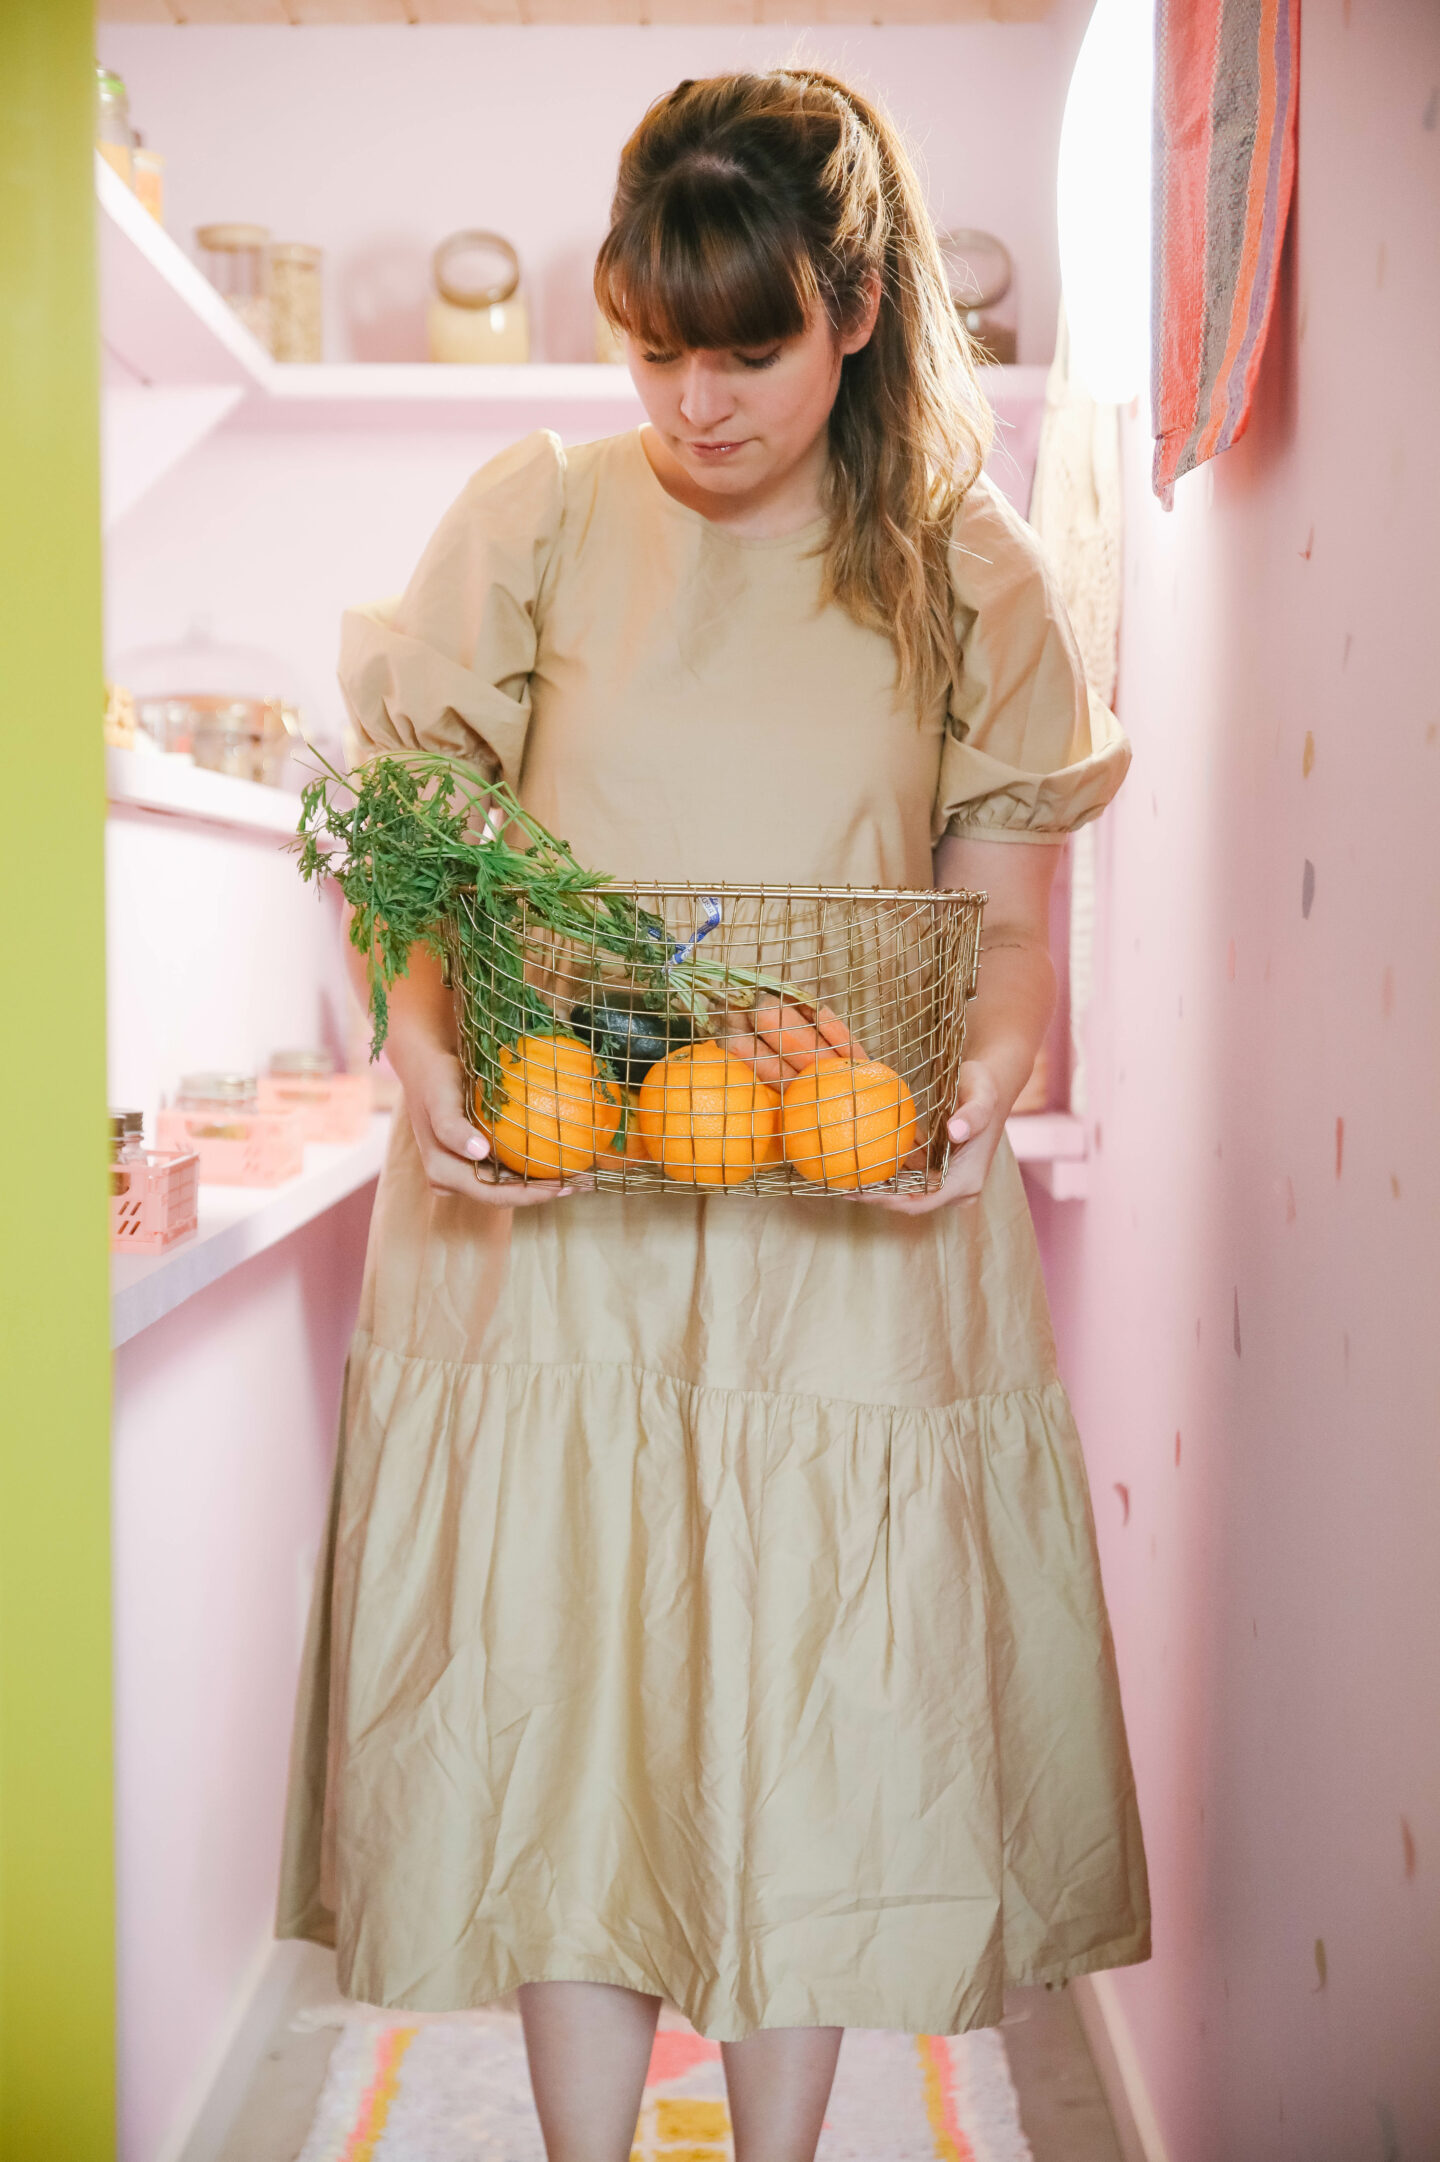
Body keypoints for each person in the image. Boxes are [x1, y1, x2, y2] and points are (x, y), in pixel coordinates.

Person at [278, 66, 1149, 2162]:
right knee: (577, 1713)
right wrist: (416, 1037)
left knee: (802, 1722)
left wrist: (982, 1088)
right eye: (657, 350)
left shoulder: (967, 569)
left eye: (747, 351)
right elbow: (417, 857)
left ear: (855, 305)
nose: (696, 405)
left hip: (830, 1259)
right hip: (550, 1225)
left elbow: (1011, 940)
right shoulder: (541, 519)